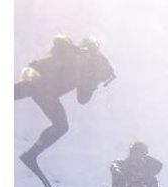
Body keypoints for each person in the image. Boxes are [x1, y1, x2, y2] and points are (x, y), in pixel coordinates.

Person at [14, 36, 115, 169]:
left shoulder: (86, 72)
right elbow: (58, 42)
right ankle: (31, 155)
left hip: (47, 93)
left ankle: (31, 155)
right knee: (30, 89)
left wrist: (93, 82)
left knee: (61, 126)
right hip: (38, 81)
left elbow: (82, 99)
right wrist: (76, 51)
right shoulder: (69, 50)